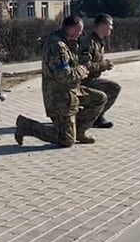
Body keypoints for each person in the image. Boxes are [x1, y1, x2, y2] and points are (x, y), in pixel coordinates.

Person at [14, 15, 107, 147]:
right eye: (79, 30)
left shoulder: (69, 43)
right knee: (66, 140)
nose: (81, 34)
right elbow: (63, 75)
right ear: (71, 29)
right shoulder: (58, 47)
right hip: (59, 97)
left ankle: (79, 131)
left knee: (100, 98)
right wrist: (81, 71)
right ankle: (27, 126)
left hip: (72, 91)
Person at [78, 13, 121, 128]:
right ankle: (94, 116)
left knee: (109, 87)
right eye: (109, 25)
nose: (111, 28)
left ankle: (94, 115)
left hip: (91, 79)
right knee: (114, 88)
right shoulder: (89, 42)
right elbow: (84, 65)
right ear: (101, 26)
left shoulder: (98, 42)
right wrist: (103, 65)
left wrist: (103, 64)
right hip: (83, 81)